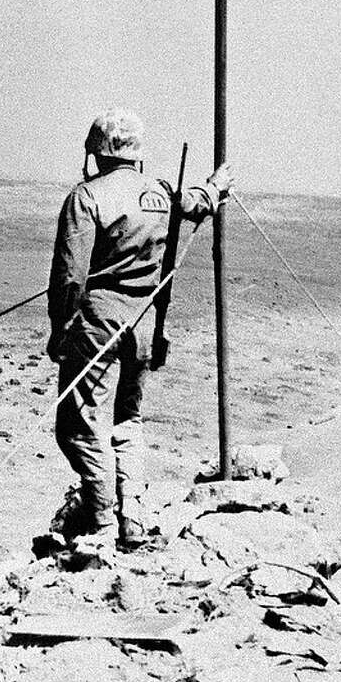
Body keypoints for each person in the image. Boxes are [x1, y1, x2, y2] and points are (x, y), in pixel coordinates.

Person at [47, 109, 229, 550]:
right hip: (145, 325)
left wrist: (60, 329)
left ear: (96, 151)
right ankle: (134, 519)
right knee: (128, 420)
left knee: (77, 426)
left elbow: (70, 278)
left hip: (97, 325)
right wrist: (216, 185)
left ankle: (103, 521)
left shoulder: (86, 197)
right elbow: (198, 203)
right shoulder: (163, 193)